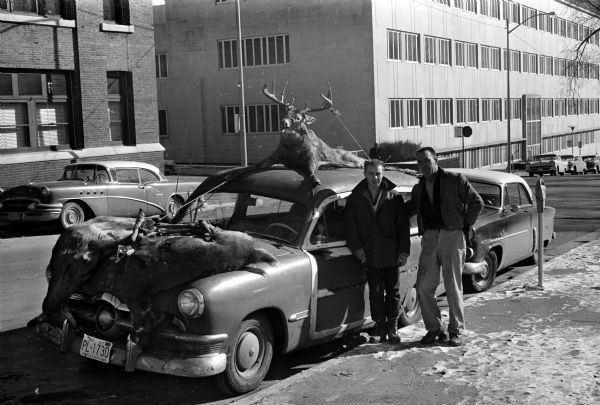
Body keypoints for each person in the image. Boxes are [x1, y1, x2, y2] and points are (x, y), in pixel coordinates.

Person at [408, 147, 483, 347]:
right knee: (424, 285)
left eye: (426, 160)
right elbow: (409, 209)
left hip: (453, 234)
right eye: (419, 162)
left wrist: (465, 226)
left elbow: (477, 202)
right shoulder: (418, 188)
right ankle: (434, 328)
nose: (423, 165)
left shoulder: (455, 180)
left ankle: (455, 330)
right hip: (430, 237)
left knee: (453, 285)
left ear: (436, 160)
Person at [345, 159, 411, 344]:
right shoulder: (356, 197)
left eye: (379, 173)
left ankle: (393, 327)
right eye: (372, 173)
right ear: (365, 174)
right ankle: (379, 327)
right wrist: (357, 248)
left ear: (383, 174)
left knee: (393, 292)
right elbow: (351, 227)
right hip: (369, 253)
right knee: (375, 292)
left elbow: (403, 226)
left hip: (391, 253)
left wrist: (403, 252)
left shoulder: (394, 196)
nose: (375, 177)